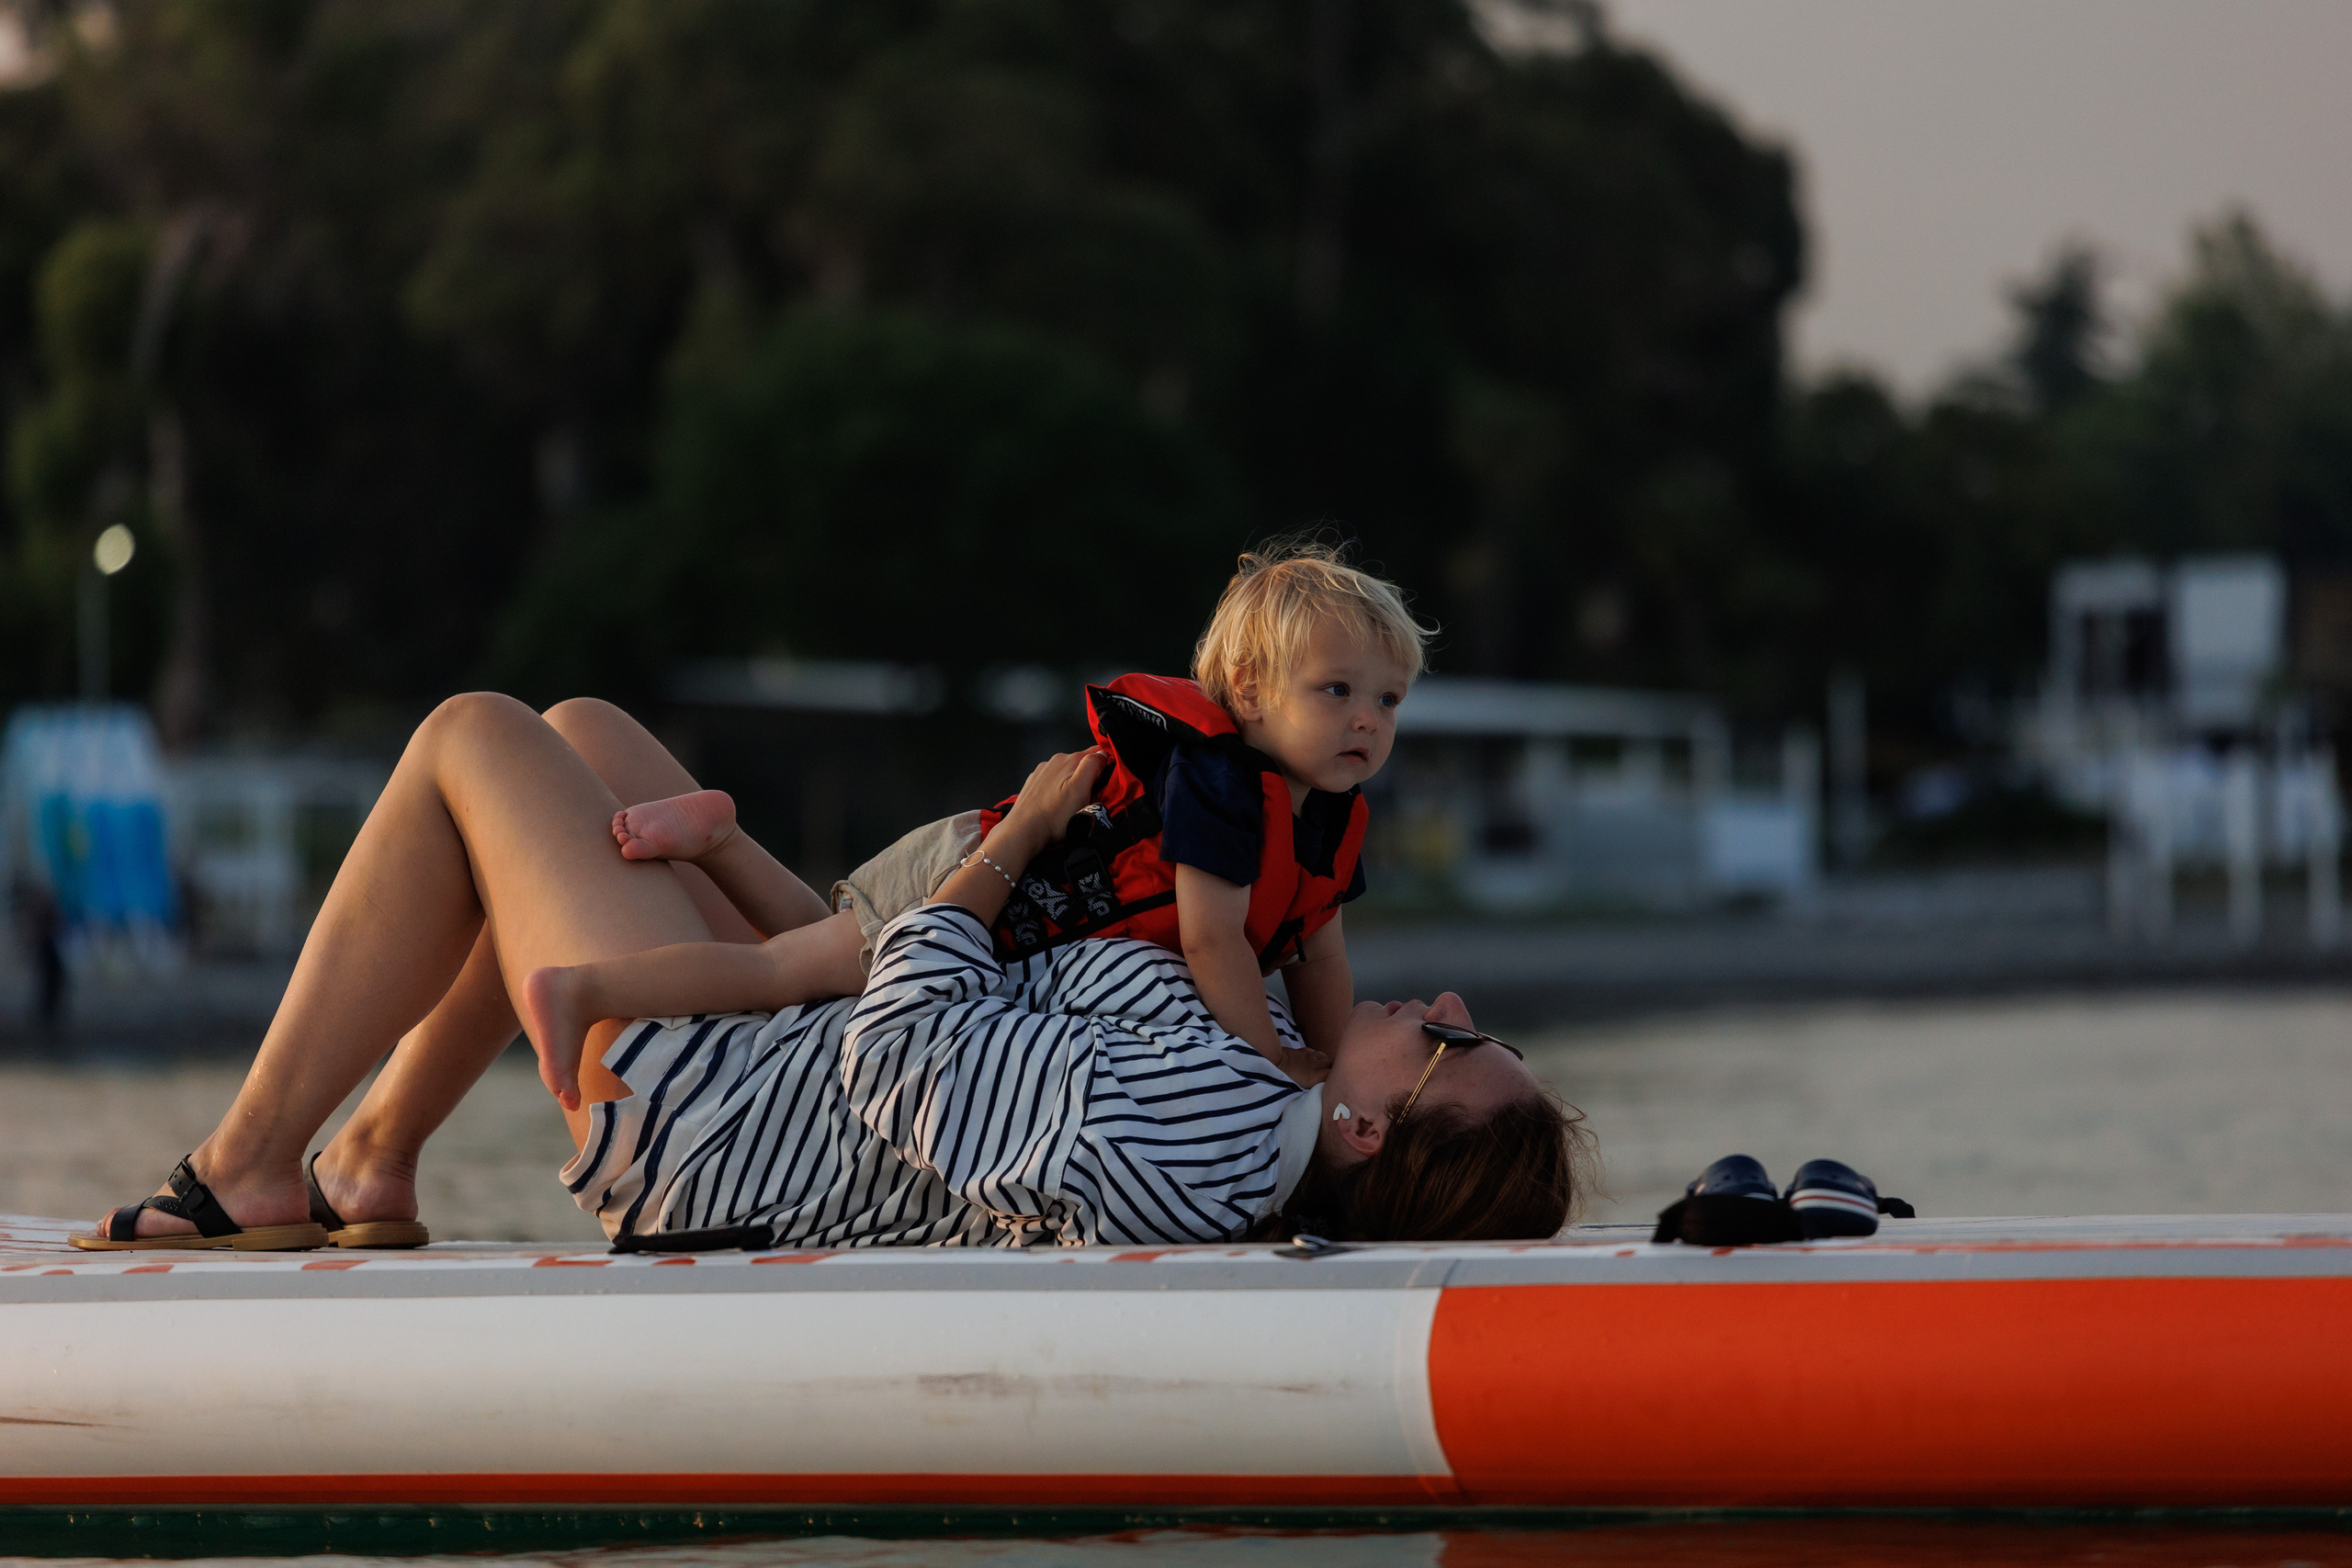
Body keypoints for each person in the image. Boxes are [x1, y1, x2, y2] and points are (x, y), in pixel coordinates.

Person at [72, 694, 1585, 1251]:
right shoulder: (1253, 1071)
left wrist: (1020, 841)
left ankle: (250, 1163)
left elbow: (904, 1053)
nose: (1449, 1009)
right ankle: (372, 1157)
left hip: (719, 1126)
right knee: (585, 737)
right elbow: (925, 996)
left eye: (1455, 1048)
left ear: (1369, 1130)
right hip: (785, 1055)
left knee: (472, 737)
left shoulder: (1199, 1133)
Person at [520, 542, 1424, 1106]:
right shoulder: (1222, 784)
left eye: (1387, 700)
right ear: (1253, 693)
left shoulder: (1327, 818)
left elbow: (1321, 957)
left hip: (988, 908)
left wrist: (1333, 1057)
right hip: (973, 876)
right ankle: (583, 990)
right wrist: (1269, 1062)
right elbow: (1211, 939)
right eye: (1337, 691)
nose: (1366, 721)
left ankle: (721, 841)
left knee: (817, 967)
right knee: (779, 974)